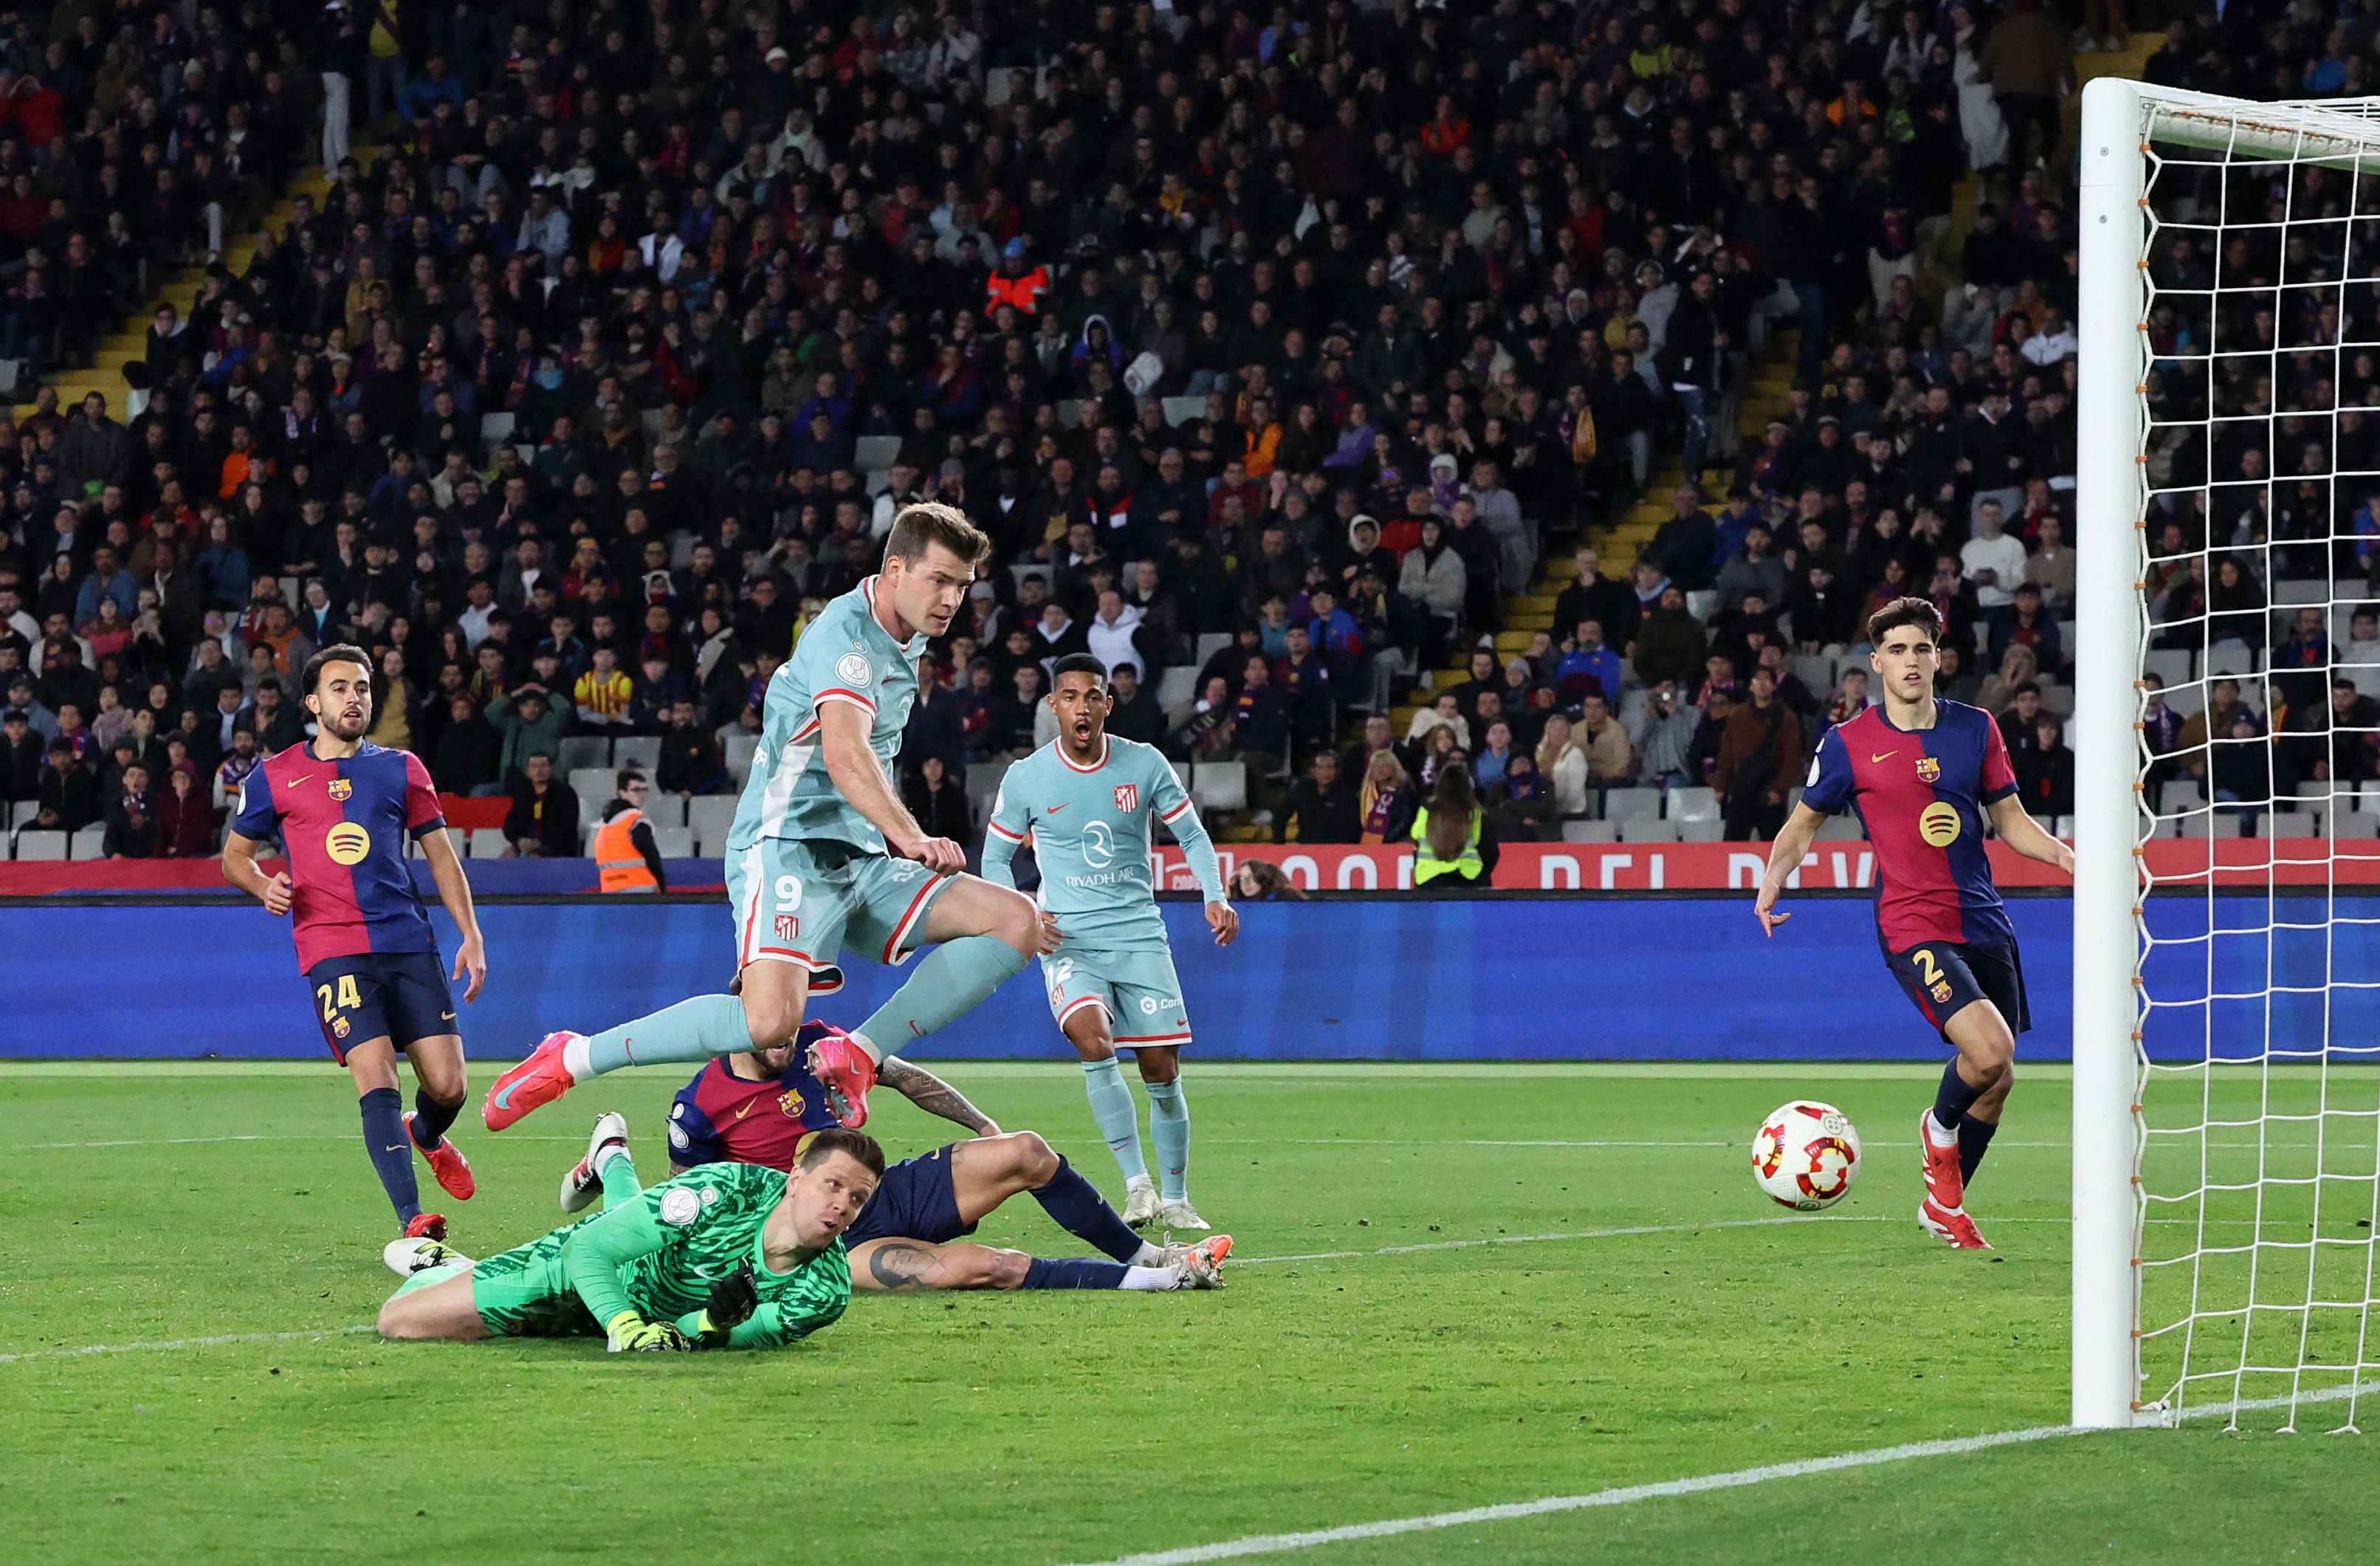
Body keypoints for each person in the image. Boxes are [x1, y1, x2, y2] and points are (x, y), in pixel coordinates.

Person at [482, 506, 1048, 1136]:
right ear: (895, 569)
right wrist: (910, 836)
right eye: (939, 580)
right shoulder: (847, 636)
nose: (951, 599)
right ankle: (573, 1056)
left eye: (963, 586)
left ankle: (857, 1053)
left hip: (856, 858)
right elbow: (844, 752)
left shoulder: (906, 640)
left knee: (1015, 920)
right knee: (769, 1024)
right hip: (787, 845)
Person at [1753, 597, 2074, 1251]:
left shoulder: (1977, 728)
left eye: (1921, 648)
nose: (1910, 661)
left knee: (1998, 1077)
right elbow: (1803, 823)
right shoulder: (1848, 744)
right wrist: (1772, 879)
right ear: (1876, 663)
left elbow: (2009, 822)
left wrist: (2068, 856)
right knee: (1989, 1051)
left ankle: (1941, 1204)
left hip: (1983, 918)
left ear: (1938, 657)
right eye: (1896, 650)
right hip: (1910, 921)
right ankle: (1937, 1128)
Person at [563, 1023, 1226, 1294]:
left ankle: (1145, 1254)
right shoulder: (700, 1103)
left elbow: (904, 1074)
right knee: (984, 1267)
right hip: (811, 1238)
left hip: (877, 1194)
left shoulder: (819, 1041)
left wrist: (981, 1125)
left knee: (1026, 1150)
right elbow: (682, 1206)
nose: (785, 1030)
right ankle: (1165, 1281)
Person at [221, 645, 490, 1243]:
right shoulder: (273, 775)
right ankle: (412, 1219)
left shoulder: (402, 768)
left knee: (449, 1085)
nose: (355, 698)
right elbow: (234, 857)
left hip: (406, 940)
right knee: (377, 1075)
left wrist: (470, 933)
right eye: (341, 688)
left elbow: (442, 857)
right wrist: (265, 885)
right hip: (330, 946)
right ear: (314, 702)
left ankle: (427, 1133)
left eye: (363, 688)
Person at [981, 653, 1235, 1230]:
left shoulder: (1143, 764)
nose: (1082, 707)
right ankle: (1137, 1186)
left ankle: (1175, 1197)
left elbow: (1191, 833)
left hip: (1140, 937)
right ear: (1054, 705)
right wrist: (1022, 914)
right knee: (1094, 1041)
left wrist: (1213, 895)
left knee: (1161, 1070)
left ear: (1106, 704)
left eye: (1092, 696)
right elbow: (994, 857)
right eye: (1069, 696)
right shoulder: (1027, 776)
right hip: (1068, 940)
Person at [376, 1127, 884, 1351]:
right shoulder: (722, 1191)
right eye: (832, 1185)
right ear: (796, 1179)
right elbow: (590, 1248)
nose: (841, 1205)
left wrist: (714, 1322)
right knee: (401, 1321)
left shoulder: (825, 1292)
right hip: (589, 1274)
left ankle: (611, 1156)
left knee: (639, 1222)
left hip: (651, 1326)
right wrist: (623, 1324)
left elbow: (695, 1334)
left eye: (857, 1199)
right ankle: (444, 1266)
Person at [1410, 764, 1497, 891]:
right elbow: (1491, 853)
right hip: (1470, 881)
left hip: (1429, 881)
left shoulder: (1425, 811)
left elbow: (1417, 847)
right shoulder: (1477, 815)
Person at [591, 770, 665, 893]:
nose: (641, 794)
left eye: (644, 790)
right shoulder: (637, 822)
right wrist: (663, 890)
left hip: (611, 893)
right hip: (644, 892)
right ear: (622, 793)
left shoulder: (603, 826)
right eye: (636, 790)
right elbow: (653, 861)